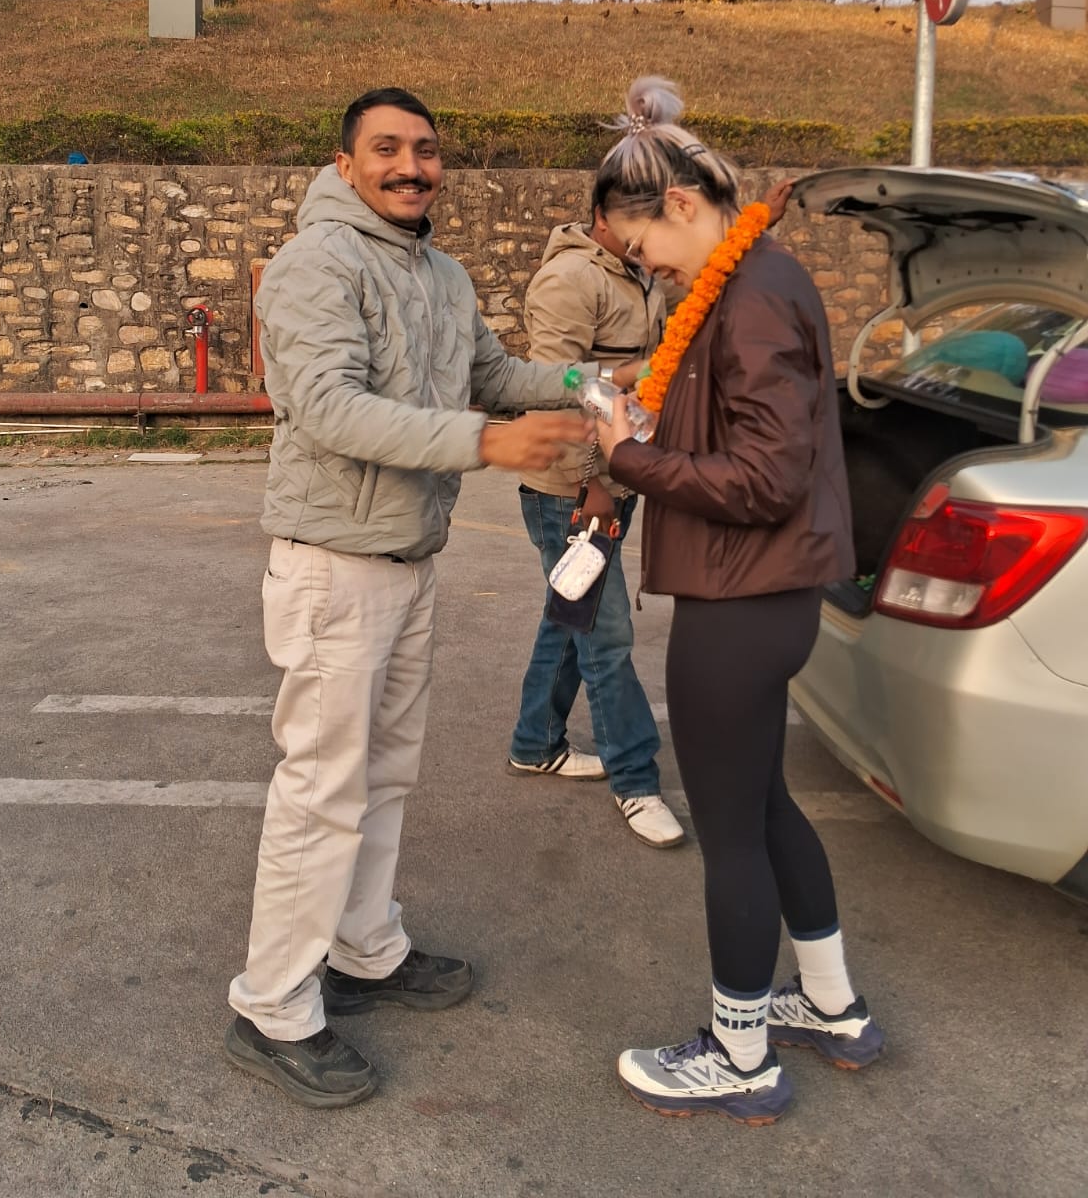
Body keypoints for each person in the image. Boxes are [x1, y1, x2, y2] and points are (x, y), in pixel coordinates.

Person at [225, 87, 593, 1111]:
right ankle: (273, 1005)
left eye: (426, 150)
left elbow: (496, 371)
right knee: (320, 790)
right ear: (346, 164)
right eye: (387, 148)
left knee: (382, 776)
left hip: (408, 560)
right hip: (334, 566)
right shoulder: (317, 264)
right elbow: (331, 406)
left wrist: (591, 384)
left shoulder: (439, 271)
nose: (411, 166)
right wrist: (483, 442)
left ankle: (364, 948)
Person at [593, 77, 885, 1126]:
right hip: (766, 594)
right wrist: (649, 424)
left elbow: (762, 478)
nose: (643, 270)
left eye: (639, 249)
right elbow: (752, 445)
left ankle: (740, 1052)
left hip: (740, 596)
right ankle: (835, 1007)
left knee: (730, 828)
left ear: (678, 206)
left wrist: (628, 455)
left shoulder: (750, 292)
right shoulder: (749, 280)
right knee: (762, 802)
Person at [507, 197, 685, 848]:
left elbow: (640, 376)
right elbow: (567, 386)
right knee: (606, 638)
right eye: (642, 219)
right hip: (571, 491)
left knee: (568, 619)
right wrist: (591, 484)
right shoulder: (569, 280)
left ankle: (535, 742)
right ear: (604, 213)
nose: (652, 235)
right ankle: (636, 781)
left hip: (618, 474)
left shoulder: (636, 272)